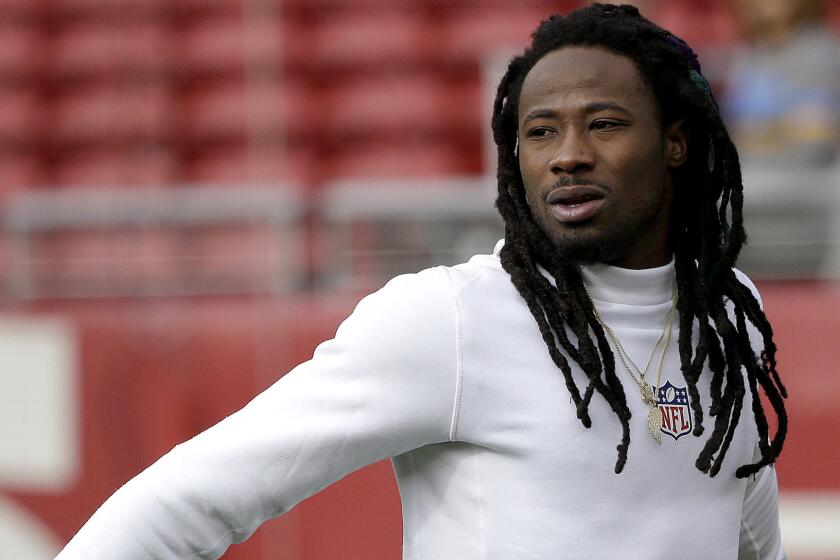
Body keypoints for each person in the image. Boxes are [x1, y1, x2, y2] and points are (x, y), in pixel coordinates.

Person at [55, 4, 789, 559]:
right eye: (540, 131)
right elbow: (187, 498)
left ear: (676, 143)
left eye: (603, 124)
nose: (567, 155)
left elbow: (748, 532)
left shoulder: (730, 315)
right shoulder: (453, 319)